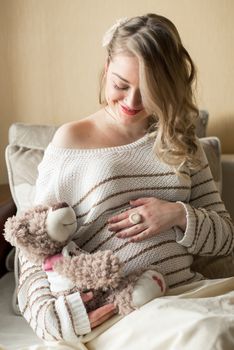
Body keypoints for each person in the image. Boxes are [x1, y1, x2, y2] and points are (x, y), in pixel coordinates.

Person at [17, 13, 234, 343]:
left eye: (147, 90)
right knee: (212, 333)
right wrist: (53, 320)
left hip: (190, 295)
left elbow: (226, 238)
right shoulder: (70, 142)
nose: (132, 102)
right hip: (124, 314)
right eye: (121, 85)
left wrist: (177, 215)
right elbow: (32, 247)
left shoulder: (181, 139)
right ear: (106, 68)